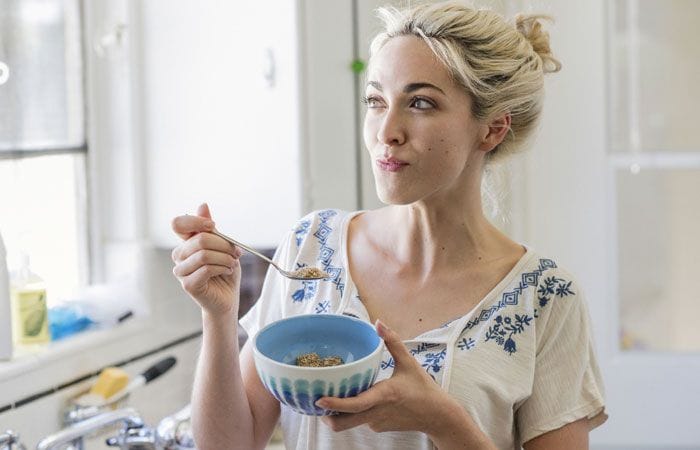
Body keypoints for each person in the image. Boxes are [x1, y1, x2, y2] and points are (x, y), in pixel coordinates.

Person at [170, 2, 607, 449]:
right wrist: (218, 317)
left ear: (492, 129)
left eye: (420, 103)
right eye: (376, 100)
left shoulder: (546, 299)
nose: (387, 131)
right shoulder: (311, 247)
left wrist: (443, 421)